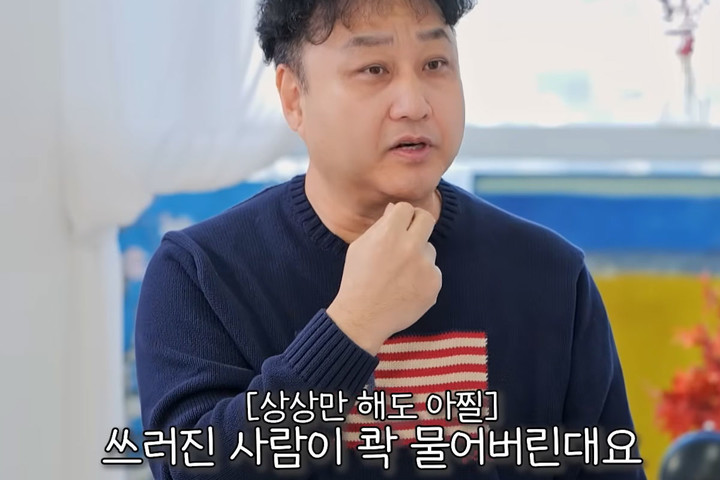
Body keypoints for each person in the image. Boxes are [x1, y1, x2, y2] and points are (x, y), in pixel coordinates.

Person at [135, 0, 647, 478]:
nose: (414, 104)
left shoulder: (549, 274)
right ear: (294, 98)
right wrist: (352, 327)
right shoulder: (200, 274)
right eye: (374, 69)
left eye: (435, 64)